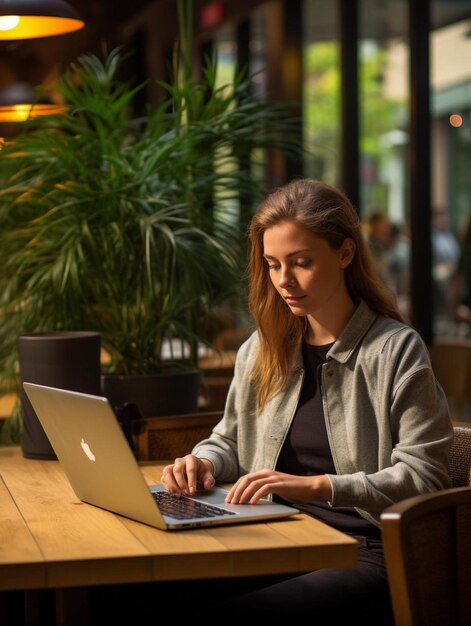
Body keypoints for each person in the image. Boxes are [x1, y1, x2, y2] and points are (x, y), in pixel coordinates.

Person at [161, 178, 453, 624]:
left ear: (345, 252)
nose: (284, 281)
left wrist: (319, 484)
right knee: (141, 592)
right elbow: (228, 440)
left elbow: (424, 477)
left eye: (301, 263)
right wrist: (202, 461)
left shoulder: (396, 350)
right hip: (276, 535)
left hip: (367, 549)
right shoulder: (261, 348)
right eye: (273, 264)